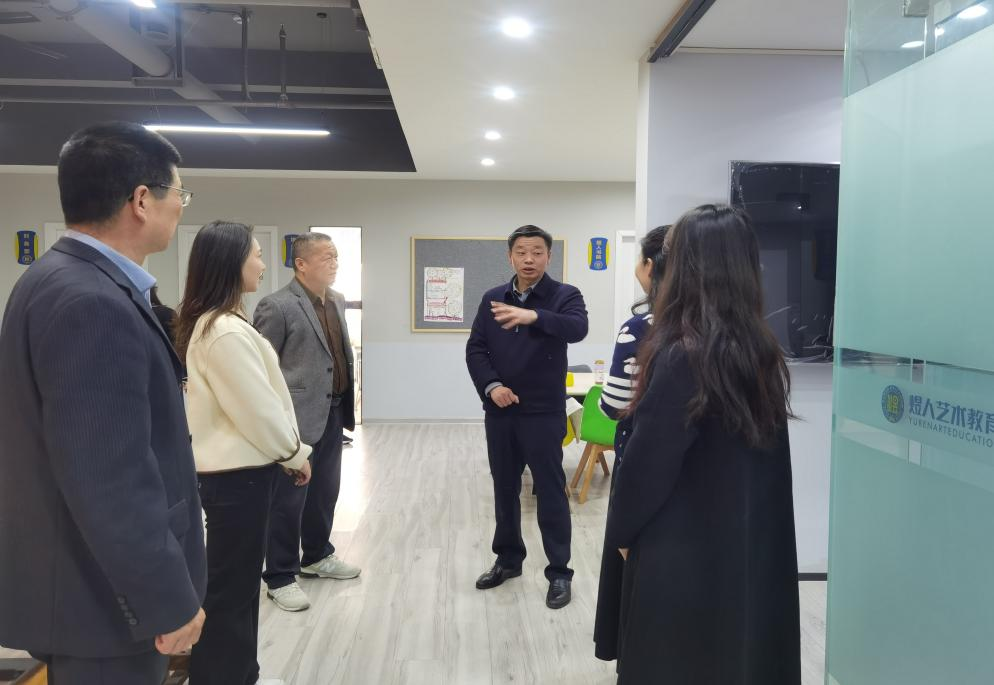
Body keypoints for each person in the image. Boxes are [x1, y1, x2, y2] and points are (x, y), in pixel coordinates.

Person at [0, 121, 206, 684]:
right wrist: (166, 598)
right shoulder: (92, 303)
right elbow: (110, 479)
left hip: (85, 588)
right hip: (105, 604)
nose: (180, 207)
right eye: (178, 193)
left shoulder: (53, 278)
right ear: (141, 200)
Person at [600, 204, 800, 684]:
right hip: (742, 547)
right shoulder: (760, 351)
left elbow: (647, 467)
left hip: (680, 555)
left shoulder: (682, 354)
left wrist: (622, 534)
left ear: (686, 266)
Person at [174, 221, 312, 685]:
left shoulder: (220, 324)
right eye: (256, 254)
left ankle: (237, 673)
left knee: (235, 587)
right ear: (232, 263)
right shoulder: (224, 331)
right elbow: (258, 410)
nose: (263, 264)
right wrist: (294, 453)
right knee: (230, 593)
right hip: (237, 479)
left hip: (238, 477)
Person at [466, 224, 588, 609]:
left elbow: (577, 328)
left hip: (543, 412)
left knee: (550, 490)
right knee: (505, 489)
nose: (529, 259)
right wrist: (492, 386)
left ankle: (559, 572)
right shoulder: (492, 298)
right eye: (521, 252)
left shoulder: (564, 295)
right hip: (501, 411)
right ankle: (508, 560)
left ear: (549, 256)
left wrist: (533, 316)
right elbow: (476, 349)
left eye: (537, 252)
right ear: (510, 256)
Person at [254, 232, 359, 613]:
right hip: (294, 419)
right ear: (301, 264)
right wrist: (274, 420)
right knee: (287, 500)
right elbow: (262, 368)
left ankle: (316, 555)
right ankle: (279, 576)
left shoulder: (337, 300)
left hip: (333, 411)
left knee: (325, 491)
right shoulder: (277, 305)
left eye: (336, 256)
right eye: (327, 257)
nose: (334, 263)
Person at [593, 224, 668, 662]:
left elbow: (613, 406)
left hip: (640, 466)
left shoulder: (640, 327)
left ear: (650, 267)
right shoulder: (723, 328)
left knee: (635, 571)